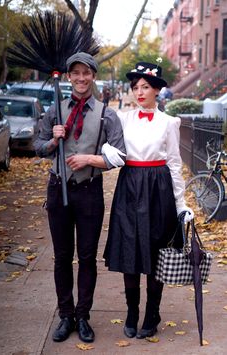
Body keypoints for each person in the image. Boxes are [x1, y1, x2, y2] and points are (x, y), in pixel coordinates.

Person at [34, 52, 126, 343]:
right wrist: (53, 139)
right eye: (76, 73)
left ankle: (83, 316)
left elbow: (120, 156)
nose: (81, 78)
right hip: (57, 187)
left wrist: (90, 158)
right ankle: (65, 315)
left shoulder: (106, 113)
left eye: (86, 73)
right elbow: (37, 145)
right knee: (62, 257)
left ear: (93, 76)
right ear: (69, 76)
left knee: (87, 258)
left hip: (89, 192)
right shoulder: (55, 111)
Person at [103, 61, 194, 340]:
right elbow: (109, 149)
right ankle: (132, 312)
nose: (139, 92)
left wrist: (181, 205)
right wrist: (106, 149)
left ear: (156, 90)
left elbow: (175, 164)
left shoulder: (170, 122)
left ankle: (152, 315)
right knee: (130, 251)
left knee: (157, 253)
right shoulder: (122, 118)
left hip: (159, 190)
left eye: (145, 87)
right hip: (130, 187)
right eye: (135, 88)